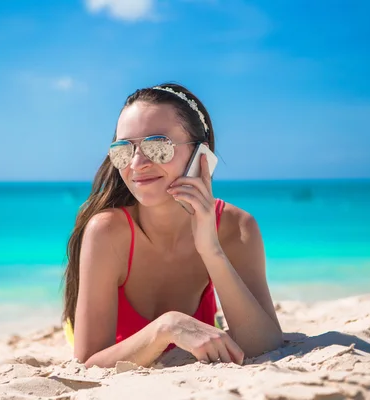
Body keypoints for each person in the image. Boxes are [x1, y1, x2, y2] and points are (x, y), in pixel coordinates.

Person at [62, 83, 283, 368]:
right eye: (123, 150)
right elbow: (88, 363)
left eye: (157, 146)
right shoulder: (106, 232)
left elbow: (264, 344)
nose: (138, 163)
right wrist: (168, 327)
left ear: (201, 155)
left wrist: (210, 249)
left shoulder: (237, 227)